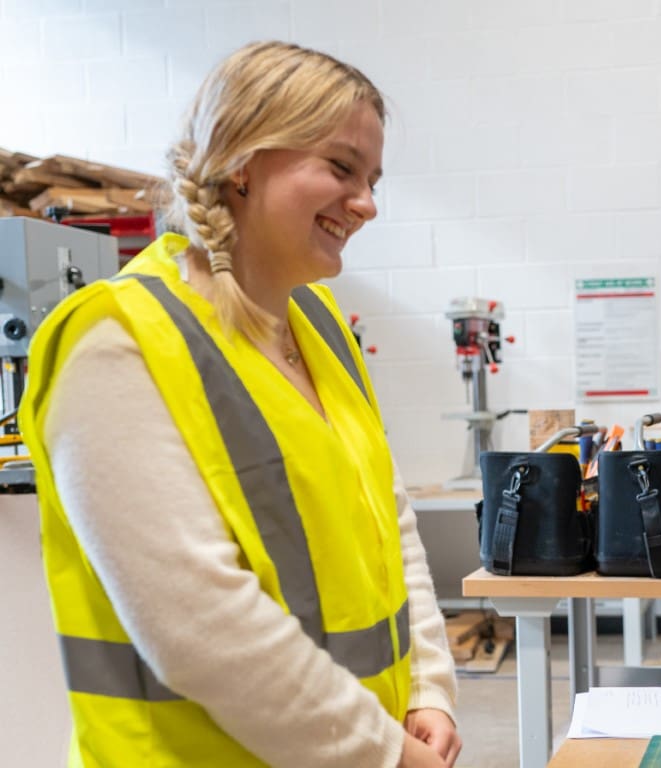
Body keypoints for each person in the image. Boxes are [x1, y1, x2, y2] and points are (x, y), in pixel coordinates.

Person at [20, 41, 461, 767]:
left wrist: (429, 691)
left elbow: (392, 523)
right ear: (240, 162)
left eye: (374, 178)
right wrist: (381, 752)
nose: (367, 203)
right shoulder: (117, 342)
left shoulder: (318, 326)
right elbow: (199, 627)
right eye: (341, 167)